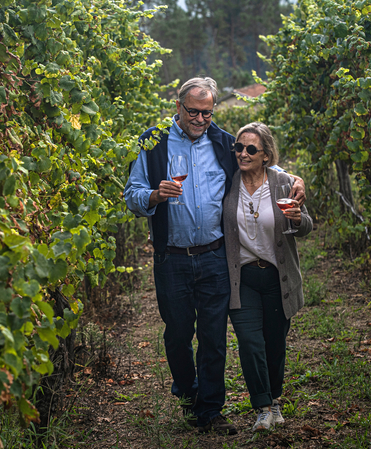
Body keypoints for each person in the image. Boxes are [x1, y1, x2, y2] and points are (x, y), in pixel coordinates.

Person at [123, 78, 304, 434]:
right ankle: (188, 394)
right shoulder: (153, 142)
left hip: (214, 256)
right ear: (178, 107)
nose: (201, 119)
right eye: (194, 111)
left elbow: (263, 164)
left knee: (213, 337)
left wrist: (295, 178)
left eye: (207, 112)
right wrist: (155, 196)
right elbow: (132, 194)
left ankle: (210, 409)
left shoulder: (223, 143)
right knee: (177, 334)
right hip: (171, 258)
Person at [222, 122, 312, 432]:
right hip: (243, 277)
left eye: (250, 149)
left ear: (266, 155)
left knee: (275, 343)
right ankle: (261, 407)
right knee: (249, 343)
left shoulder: (283, 182)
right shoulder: (227, 182)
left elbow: (307, 225)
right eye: (239, 148)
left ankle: (275, 399)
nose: (242, 154)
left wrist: (298, 219)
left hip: (276, 278)